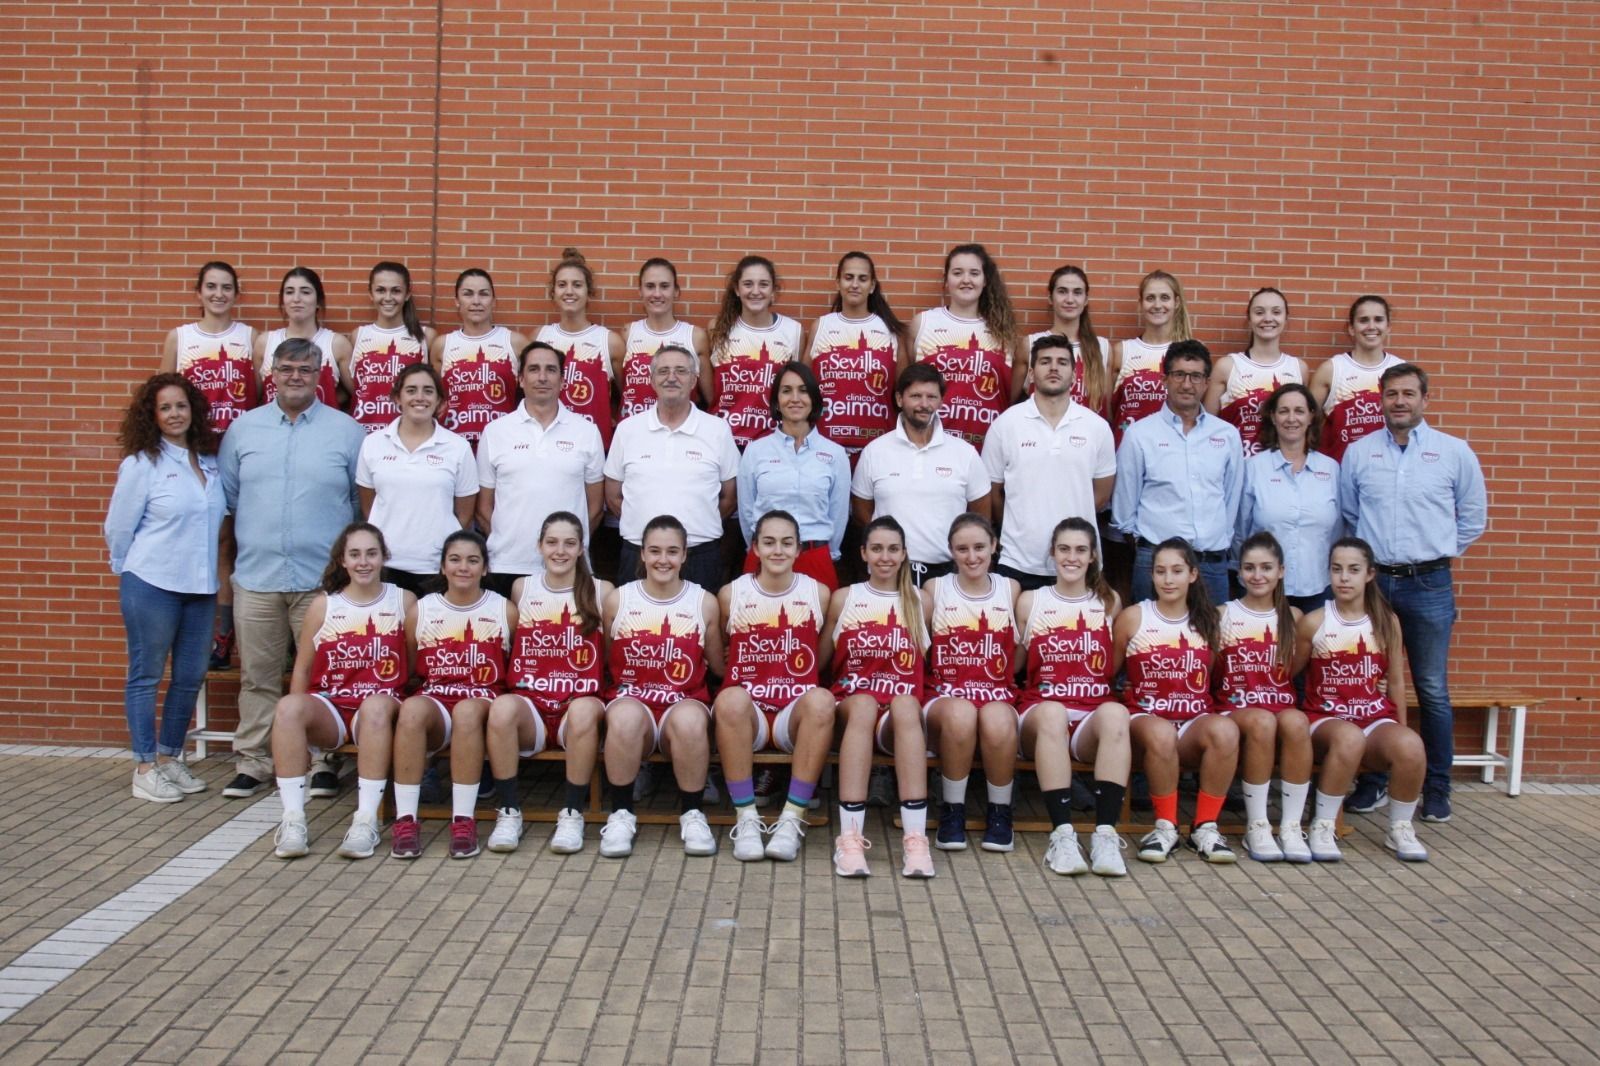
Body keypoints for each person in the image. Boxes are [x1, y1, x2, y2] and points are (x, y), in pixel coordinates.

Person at [1338, 363, 1487, 822]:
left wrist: (1434, 554)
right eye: (1391, 394)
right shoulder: (1360, 454)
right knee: (1370, 685)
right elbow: (1349, 514)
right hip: (1376, 583)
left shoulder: (1454, 453)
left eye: (1408, 394)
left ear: (1425, 399)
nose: (1399, 402)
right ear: (1379, 400)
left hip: (1430, 583)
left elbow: (1472, 518)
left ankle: (1436, 788)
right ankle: (1375, 780)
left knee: (1432, 688)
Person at [218, 337, 365, 799]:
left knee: (324, 675)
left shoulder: (347, 431)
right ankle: (255, 761)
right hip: (258, 577)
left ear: (321, 373)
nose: (295, 376)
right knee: (257, 676)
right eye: (286, 368)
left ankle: (324, 760)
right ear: (272, 374)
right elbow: (230, 498)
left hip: (321, 583)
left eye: (305, 369)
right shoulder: (244, 430)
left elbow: (359, 505)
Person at [105, 373, 225, 802]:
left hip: (200, 587)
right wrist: (128, 571)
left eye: (181, 406)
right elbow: (118, 527)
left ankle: (171, 758)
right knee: (146, 674)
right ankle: (144, 766)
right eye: (165, 408)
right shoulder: (142, 464)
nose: (175, 414)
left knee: (190, 676)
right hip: (152, 583)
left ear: (192, 410)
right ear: (152, 417)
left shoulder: (208, 462)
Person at [268, 523, 414, 859]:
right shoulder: (324, 605)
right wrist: (295, 715)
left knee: (377, 706)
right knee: (288, 708)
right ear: (343, 561)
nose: (364, 562)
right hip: (332, 705)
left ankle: (365, 820)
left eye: (371, 554)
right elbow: (303, 667)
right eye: (355, 554)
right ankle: (292, 819)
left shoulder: (403, 600)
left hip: (381, 705)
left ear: (384, 558)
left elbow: (412, 660)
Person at [484, 512, 614, 854]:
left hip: (578, 704)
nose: (560, 551)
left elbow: (613, 652)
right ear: (539, 547)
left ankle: (572, 813)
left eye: (569, 543)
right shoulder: (521, 587)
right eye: (552, 542)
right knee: (501, 708)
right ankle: (509, 811)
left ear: (581, 548)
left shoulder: (603, 591)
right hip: (533, 705)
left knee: (586, 710)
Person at [1294, 538, 1431, 861]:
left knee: (1411, 746)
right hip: (1325, 718)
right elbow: (1287, 674)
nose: (1344, 578)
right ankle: (1323, 824)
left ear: (1369, 574)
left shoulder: (1386, 621)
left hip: (1372, 716)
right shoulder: (1314, 622)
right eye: (1337, 569)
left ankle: (1400, 828)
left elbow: (1396, 681)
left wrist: (1401, 730)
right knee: (1349, 737)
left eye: (1353, 570)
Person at [597, 515, 726, 858]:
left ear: (685, 555)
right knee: (623, 716)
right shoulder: (618, 600)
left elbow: (717, 665)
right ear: (642, 554)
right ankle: (621, 814)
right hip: (632, 700)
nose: (663, 559)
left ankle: (692, 813)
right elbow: (610, 660)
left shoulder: (704, 601)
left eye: (672, 551)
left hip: (682, 701)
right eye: (654, 551)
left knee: (690, 720)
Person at [713, 510, 837, 861]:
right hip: (748, 713)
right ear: (754, 547)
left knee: (822, 700)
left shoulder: (819, 593)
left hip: (791, 715)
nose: (778, 551)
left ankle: (791, 819)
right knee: (730, 698)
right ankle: (747, 818)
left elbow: (820, 652)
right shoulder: (730, 594)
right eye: (769, 542)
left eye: (787, 543)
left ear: (799, 550)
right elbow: (723, 651)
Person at [1015, 517, 1132, 877]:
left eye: (1081, 550)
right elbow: (1015, 662)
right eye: (1064, 549)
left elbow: (1110, 668)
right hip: (1040, 712)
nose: (1072, 557)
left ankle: (1105, 835)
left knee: (1114, 712)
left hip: (1089, 717)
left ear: (1093, 555)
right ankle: (1063, 836)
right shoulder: (1030, 600)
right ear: (1052, 553)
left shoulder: (1109, 602)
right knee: (1051, 713)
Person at [1114, 538, 1239, 865]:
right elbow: (1109, 673)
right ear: (1151, 575)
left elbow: (1213, 677)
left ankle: (1205, 827)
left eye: (1177, 571)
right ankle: (1165, 826)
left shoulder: (1210, 621)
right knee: (1160, 733)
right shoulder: (1133, 617)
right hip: (1145, 722)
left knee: (1225, 730)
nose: (1168, 579)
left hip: (1193, 722)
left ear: (1193, 575)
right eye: (1160, 571)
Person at [390, 530, 515, 859]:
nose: (464, 567)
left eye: (473, 560)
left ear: (485, 568)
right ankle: (405, 819)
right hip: (438, 699)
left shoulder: (504, 609)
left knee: (468, 711)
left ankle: (463, 819)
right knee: (412, 710)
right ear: (443, 567)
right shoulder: (423, 610)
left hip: (483, 703)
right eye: (455, 560)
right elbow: (415, 667)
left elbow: (515, 665)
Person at [824, 516, 933, 878]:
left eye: (892, 549)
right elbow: (820, 659)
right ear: (863, 553)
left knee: (905, 703)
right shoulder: (845, 598)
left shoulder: (921, 602)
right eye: (876, 549)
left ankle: (916, 839)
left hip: (899, 715)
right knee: (866, 704)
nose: (884, 557)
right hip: (852, 707)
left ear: (904, 554)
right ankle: (850, 839)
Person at [159, 260, 255, 668]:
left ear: (237, 294)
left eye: (226, 287)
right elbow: (161, 396)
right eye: (211, 287)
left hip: (237, 453)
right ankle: (198, 633)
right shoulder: (180, 338)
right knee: (200, 541)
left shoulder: (251, 338)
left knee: (232, 542)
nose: (218, 294)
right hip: (194, 454)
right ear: (198, 292)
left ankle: (225, 634)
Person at [1112, 340, 1243, 605]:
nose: (1187, 384)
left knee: (1211, 643)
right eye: (1179, 375)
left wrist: (1219, 539)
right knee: (1150, 642)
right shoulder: (1140, 434)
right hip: (1155, 563)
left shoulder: (1227, 435)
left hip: (1210, 562)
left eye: (1196, 376)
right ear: (1165, 380)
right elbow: (1124, 508)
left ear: (1206, 383)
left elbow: (1231, 499)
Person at [920, 515, 1021, 852]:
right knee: (962, 713)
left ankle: (1000, 812)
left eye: (980, 547)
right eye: (962, 549)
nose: (972, 556)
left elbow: (1019, 651)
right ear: (951, 551)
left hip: (996, 694)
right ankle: (952, 811)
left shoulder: (1011, 589)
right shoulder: (935, 589)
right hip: (945, 695)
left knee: (995, 716)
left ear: (994, 546)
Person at [983, 334, 1116, 591]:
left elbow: (1099, 497)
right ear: (1031, 373)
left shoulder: (1096, 427)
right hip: (1019, 562)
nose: (1054, 367)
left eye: (1062, 362)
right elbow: (994, 495)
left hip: (1078, 563)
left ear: (1075, 375)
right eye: (1045, 361)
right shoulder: (1005, 425)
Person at [604, 344, 740, 590]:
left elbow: (730, 497)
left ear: (694, 380)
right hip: (639, 553)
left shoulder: (717, 430)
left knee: (699, 626)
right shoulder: (628, 429)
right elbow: (613, 495)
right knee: (635, 628)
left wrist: (699, 523)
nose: (671, 378)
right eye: (663, 371)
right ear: (652, 380)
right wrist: (641, 524)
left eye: (681, 371)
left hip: (699, 553)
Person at [1214, 532, 1313, 863]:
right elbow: (1212, 671)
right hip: (1235, 707)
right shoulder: (1223, 614)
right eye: (1249, 568)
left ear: (1281, 571)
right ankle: (1257, 824)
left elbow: (1294, 669)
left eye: (1266, 568)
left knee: (1298, 721)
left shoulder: (1293, 617)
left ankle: (1290, 824)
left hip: (1278, 704)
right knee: (1262, 721)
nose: (1258, 575)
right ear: (1239, 572)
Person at [477, 341, 606, 594]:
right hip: (507, 564)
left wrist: (566, 547)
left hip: (568, 566)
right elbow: (483, 508)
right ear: (521, 379)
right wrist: (510, 542)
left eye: (551, 370)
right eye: (534, 369)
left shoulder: (586, 432)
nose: (543, 377)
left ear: (562, 380)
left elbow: (595, 507)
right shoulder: (495, 432)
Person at [850, 363, 991, 585]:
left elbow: (981, 516)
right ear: (899, 399)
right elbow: (861, 511)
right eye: (915, 396)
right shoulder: (874, 451)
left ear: (941, 401)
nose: (924, 404)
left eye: (931, 397)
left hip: (948, 574)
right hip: (891, 571)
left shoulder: (965, 453)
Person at [355, 363, 476, 595]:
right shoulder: (373, 443)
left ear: (440, 401)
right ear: (397, 398)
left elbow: (464, 514)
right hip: (385, 566)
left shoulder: (457, 447)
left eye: (428, 391)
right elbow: (369, 506)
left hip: (436, 567)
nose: (419, 397)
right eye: (411, 390)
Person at [736, 361, 850, 591]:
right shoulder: (756, 451)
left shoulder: (835, 454)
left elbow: (838, 514)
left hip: (815, 556)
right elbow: (747, 510)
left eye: (803, 390)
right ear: (777, 402)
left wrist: (829, 552)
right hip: (765, 559)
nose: (795, 398)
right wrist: (761, 546)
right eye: (786, 391)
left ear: (814, 399)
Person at [1237, 383, 1341, 614]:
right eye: (1284, 411)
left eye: (1299, 411)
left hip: (1319, 587)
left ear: (1311, 417)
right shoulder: (1253, 468)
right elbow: (1240, 532)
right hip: (1264, 588)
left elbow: (1338, 531)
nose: (1291, 418)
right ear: (1273, 417)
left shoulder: (1331, 469)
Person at [908, 243, 1021, 446]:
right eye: (958, 273)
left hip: (986, 444)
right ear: (946, 279)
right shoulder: (923, 323)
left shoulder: (1004, 332)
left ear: (985, 280)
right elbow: (906, 386)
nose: (966, 280)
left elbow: (1009, 394)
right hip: (932, 442)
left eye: (974, 273)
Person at [805, 250, 907, 462]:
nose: (854, 284)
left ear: (872, 286)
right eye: (848, 277)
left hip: (877, 446)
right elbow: (804, 385)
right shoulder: (821, 326)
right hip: (825, 444)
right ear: (838, 283)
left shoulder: (889, 330)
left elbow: (903, 392)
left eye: (862, 279)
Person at [706, 255, 805, 449]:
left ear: (773, 291)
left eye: (764, 284)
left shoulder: (793, 331)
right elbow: (712, 392)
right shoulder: (717, 329)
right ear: (737, 289)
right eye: (748, 284)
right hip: (724, 439)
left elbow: (797, 388)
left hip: (772, 441)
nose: (756, 291)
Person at [430, 268, 529, 451]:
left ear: (494, 302)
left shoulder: (515, 343)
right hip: (454, 444)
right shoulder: (442, 345)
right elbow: (437, 397)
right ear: (457, 302)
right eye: (468, 294)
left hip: (502, 443)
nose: (476, 301)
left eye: (483, 294)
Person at [534, 248, 623, 447]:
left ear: (589, 293)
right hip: (546, 443)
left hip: (592, 446)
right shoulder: (539, 337)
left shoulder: (609, 341)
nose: (569, 291)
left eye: (577, 285)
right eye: (562, 285)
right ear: (553, 292)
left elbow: (624, 395)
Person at [1204, 287, 1308, 457]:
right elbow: (1206, 426)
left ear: (1285, 319)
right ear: (1249, 319)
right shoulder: (1227, 366)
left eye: (1276, 312)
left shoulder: (1298, 368)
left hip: (1282, 470)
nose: (1268, 318)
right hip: (1238, 468)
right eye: (1259, 312)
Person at [1310, 295, 1404, 462]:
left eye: (1378, 320)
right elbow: (1307, 424)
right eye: (1363, 320)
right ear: (1351, 328)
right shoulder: (1331, 370)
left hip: (1388, 471)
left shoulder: (1401, 370)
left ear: (1388, 326)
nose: (1371, 326)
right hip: (1340, 471)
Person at [343, 261, 433, 435]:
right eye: (381, 290)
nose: (388, 297)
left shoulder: (425, 337)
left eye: (396, 290)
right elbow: (355, 390)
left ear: (407, 294)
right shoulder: (358, 336)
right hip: (364, 432)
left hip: (409, 435)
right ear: (371, 294)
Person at [1108, 270, 1193, 443]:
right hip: (1128, 449)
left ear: (1176, 302)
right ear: (1140, 304)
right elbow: (1110, 409)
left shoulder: (1190, 351)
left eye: (1164, 297)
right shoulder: (1122, 351)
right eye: (1150, 298)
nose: (1157, 304)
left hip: (1172, 451)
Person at [619, 258, 709, 420]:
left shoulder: (695, 336)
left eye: (665, 286)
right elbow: (620, 389)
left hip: (679, 431)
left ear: (676, 291)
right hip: (635, 431)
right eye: (650, 286)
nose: (657, 293)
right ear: (640, 291)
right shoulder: (628, 333)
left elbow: (709, 398)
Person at [1019, 264, 1111, 413]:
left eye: (1077, 292)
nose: (1070, 299)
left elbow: (1107, 408)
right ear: (1050, 297)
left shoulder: (1102, 347)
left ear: (1086, 299)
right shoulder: (1030, 344)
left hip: (1087, 434)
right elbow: (1012, 402)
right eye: (1062, 291)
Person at [257, 267, 347, 409]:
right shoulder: (264, 342)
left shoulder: (337, 344)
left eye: (305, 292)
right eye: (289, 292)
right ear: (282, 300)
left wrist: (327, 404)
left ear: (318, 300)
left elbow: (356, 394)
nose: (296, 299)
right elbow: (255, 396)